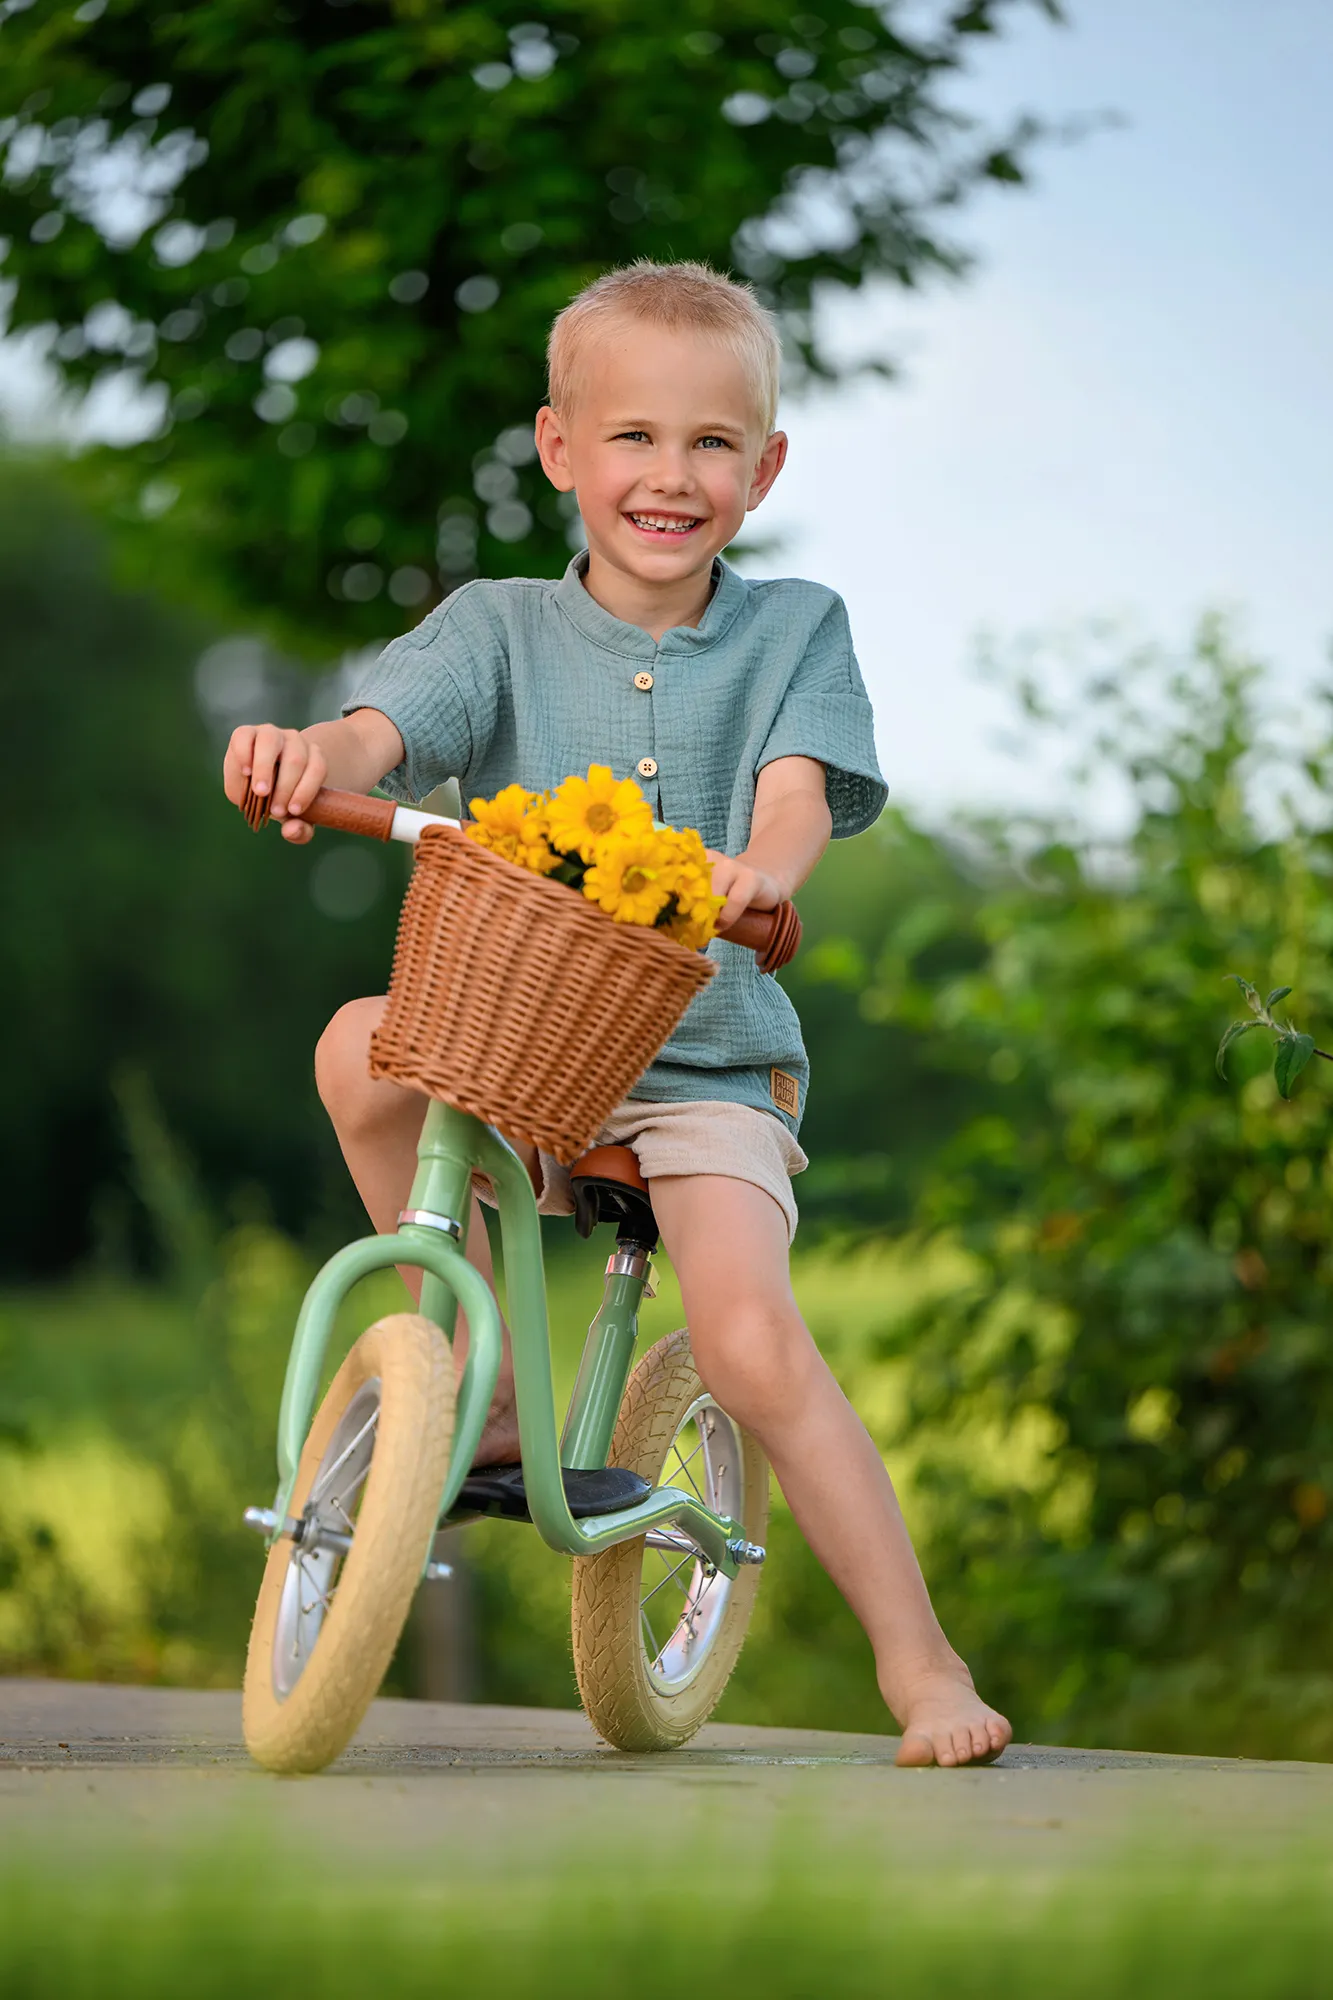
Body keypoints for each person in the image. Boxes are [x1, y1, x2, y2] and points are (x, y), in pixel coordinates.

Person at [222, 260, 1011, 1768]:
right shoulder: (499, 626)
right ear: (560, 447)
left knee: (749, 1340)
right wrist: (297, 747)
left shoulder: (796, 629)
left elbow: (795, 800)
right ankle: (477, 1369)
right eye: (634, 438)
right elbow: (378, 732)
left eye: (713, 443)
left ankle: (920, 1665)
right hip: (521, 1050)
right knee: (355, 1043)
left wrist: (760, 878)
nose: (672, 475)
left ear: (766, 466)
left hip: (709, 1065)